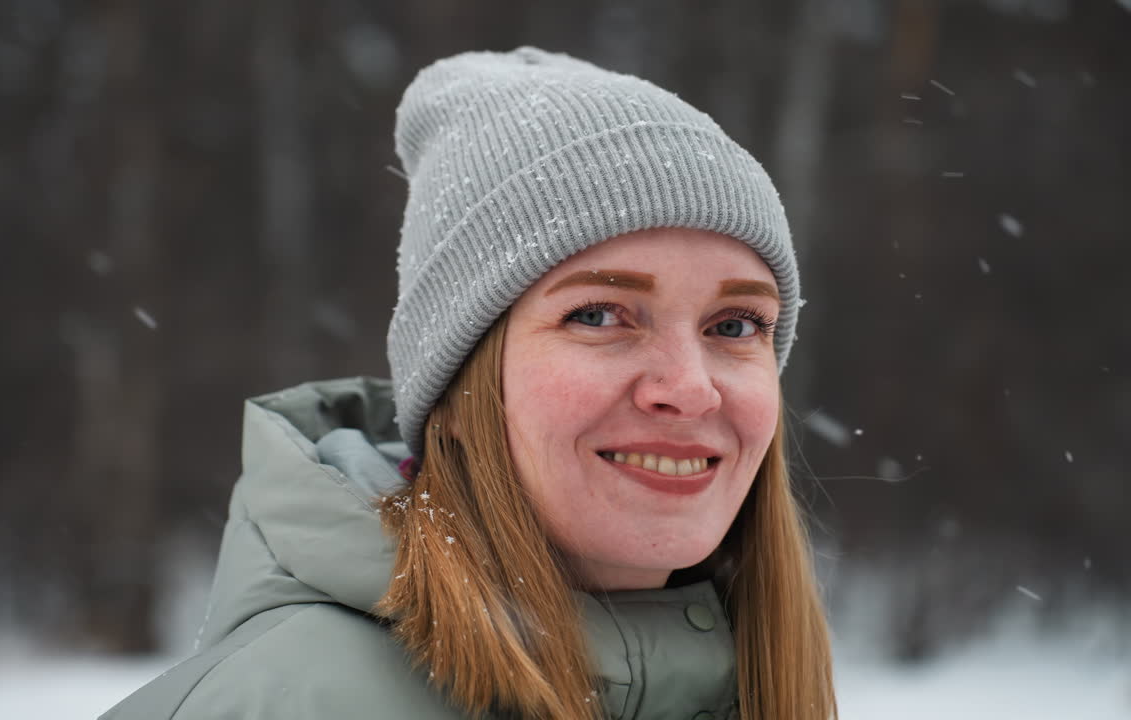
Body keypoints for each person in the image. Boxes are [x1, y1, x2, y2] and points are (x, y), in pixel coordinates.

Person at [102, 47, 836, 720]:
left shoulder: (749, 688)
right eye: (598, 314)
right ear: (457, 390)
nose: (690, 387)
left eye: (736, 326)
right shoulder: (289, 704)